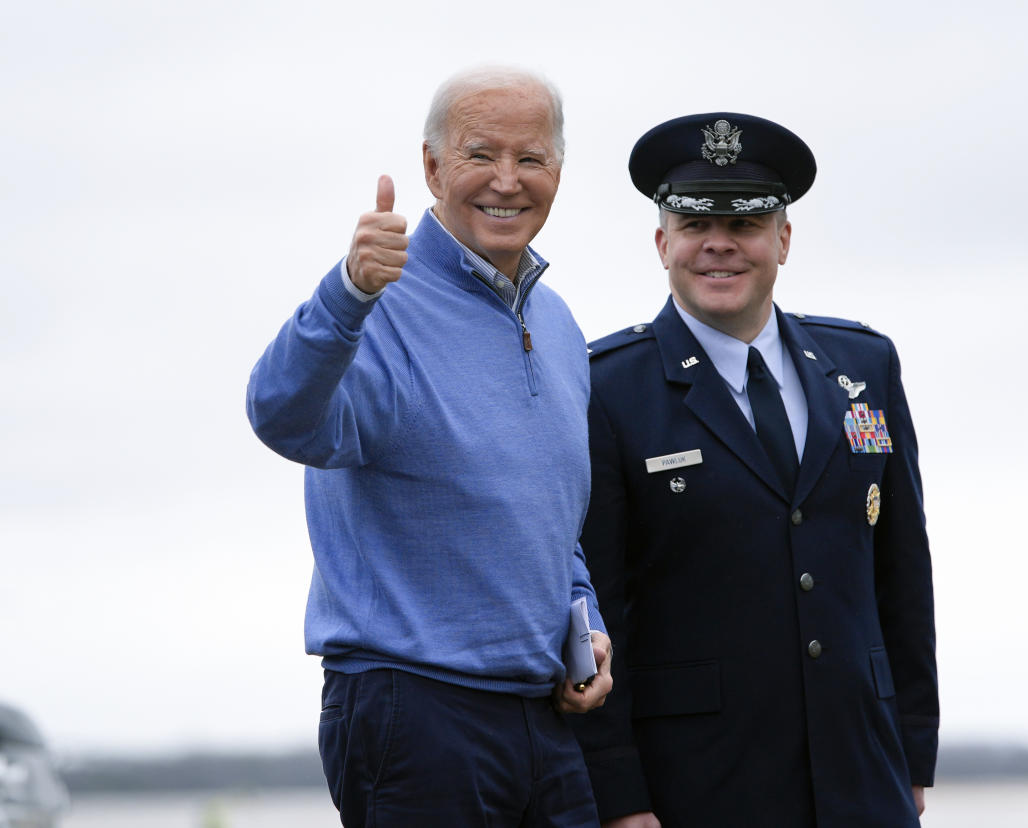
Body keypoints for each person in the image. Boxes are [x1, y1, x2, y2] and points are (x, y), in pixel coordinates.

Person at [246, 66, 613, 828]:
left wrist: (585, 617)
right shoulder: (375, 304)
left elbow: (551, 519)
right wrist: (346, 292)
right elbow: (280, 415)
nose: (507, 182)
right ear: (432, 167)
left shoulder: (562, 326)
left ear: (559, 172)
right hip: (412, 710)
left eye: (532, 159)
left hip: (540, 714)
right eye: (482, 154)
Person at [568, 113, 938, 828]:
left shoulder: (864, 366)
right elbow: (595, 608)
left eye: (745, 224)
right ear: (662, 242)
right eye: (696, 224)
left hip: (863, 773)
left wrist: (914, 750)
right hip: (698, 784)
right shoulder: (608, 389)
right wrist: (619, 797)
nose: (720, 245)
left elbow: (902, 573)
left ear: (783, 240)